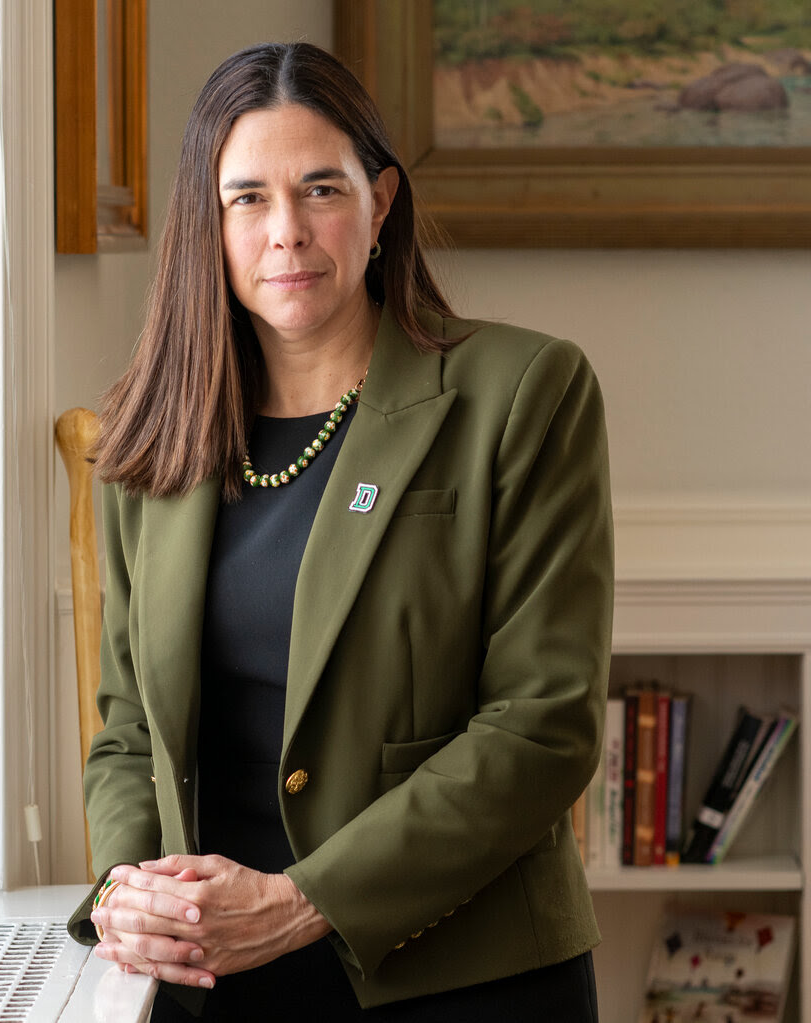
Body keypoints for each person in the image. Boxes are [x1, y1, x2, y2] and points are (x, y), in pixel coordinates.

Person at [67, 41, 613, 1022]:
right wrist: (127, 894)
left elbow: (542, 724)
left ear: (382, 202)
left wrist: (298, 903)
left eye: (320, 188)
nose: (286, 232)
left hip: (460, 980)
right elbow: (129, 730)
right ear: (209, 222)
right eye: (247, 199)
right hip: (209, 986)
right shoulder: (143, 441)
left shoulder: (523, 392)